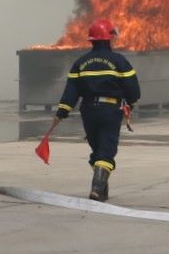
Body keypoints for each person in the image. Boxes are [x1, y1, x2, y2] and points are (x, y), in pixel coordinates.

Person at [55, 18, 141, 201]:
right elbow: (134, 90)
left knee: (97, 149)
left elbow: (71, 91)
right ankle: (96, 188)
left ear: (92, 39)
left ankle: (102, 192)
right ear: (109, 38)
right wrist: (130, 103)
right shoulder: (118, 60)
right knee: (106, 150)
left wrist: (62, 111)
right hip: (110, 110)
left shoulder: (80, 62)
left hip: (88, 112)